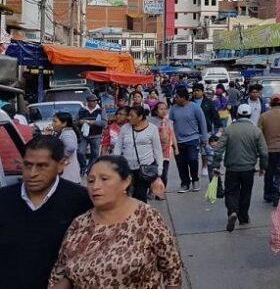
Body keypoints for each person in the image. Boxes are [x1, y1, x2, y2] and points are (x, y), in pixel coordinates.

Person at [48, 156, 183, 288]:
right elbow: (61, 273)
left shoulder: (147, 217)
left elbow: (172, 272)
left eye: (104, 179)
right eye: (90, 181)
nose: (95, 186)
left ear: (126, 181)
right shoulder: (79, 224)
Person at [0, 136, 92, 289]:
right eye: (27, 165)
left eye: (42, 166)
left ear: (61, 165)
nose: (32, 173)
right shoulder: (3, 199)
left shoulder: (81, 201)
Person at [212, 103, 268, 232]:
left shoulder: (229, 130)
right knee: (246, 193)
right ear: (250, 115)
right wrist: (263, 167)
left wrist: (216, 165)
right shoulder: (256, 131)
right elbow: (264, 152)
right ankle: (243, 217)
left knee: (231, 192)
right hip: (248, 168)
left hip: (232, 168)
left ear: (236, 114)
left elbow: (218, 149)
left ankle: (232, 211)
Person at [119, 105, 163, 202]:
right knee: (125, 195)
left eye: (131, 116)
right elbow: (118, 147)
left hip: (144, 169)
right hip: (127, 168)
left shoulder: (152, 129)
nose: (128, 118)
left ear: (140, 117)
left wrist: (159, 170)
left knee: (140, 195)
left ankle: (141, 215)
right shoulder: (125, 128)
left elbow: (157, 150)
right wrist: (116, 164)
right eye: (128, 115)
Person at [169, 86, 209, 193]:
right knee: (181, 163)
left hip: (193, 139)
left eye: (177, 97)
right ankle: (185, 183)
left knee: (193, 160)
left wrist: (204, 138)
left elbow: (202, 122)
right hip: (178, 141)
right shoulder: (173, 109)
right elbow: (169, 124)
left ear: (184, 97)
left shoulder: (195, 107)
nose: (175, 99)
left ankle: (195, 179)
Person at [152, 102, 178, 191]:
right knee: (154, 172)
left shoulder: (169, 122)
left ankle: (161, 191)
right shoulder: (152, 122)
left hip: (166, 152)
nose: (164, 111)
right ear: (156, 111)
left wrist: (176, 148)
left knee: (164, 172)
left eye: (165, 109)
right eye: (161, 109)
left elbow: (173, 135)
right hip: (154, 151)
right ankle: (153, 190)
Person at [77, 94, 105, 174]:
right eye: (92, 101)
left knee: (95, 154)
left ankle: (89, 168)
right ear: (88, 102)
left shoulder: (100, 110)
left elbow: (104, 123)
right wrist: (80, 122)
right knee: (80, 152)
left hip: (96, 135)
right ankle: (83, 166)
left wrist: (94, 122)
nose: (94, 102)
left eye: (95, 101)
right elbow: (75, 121)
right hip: (84, 135)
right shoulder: (82, 110)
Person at [52, 112, 82, 184]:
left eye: (55, 121)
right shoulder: (65, 132)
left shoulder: (66, 133)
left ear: (64, 123)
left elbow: (71, 147)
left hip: (68, 175)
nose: (53, 124)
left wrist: (62, 157)